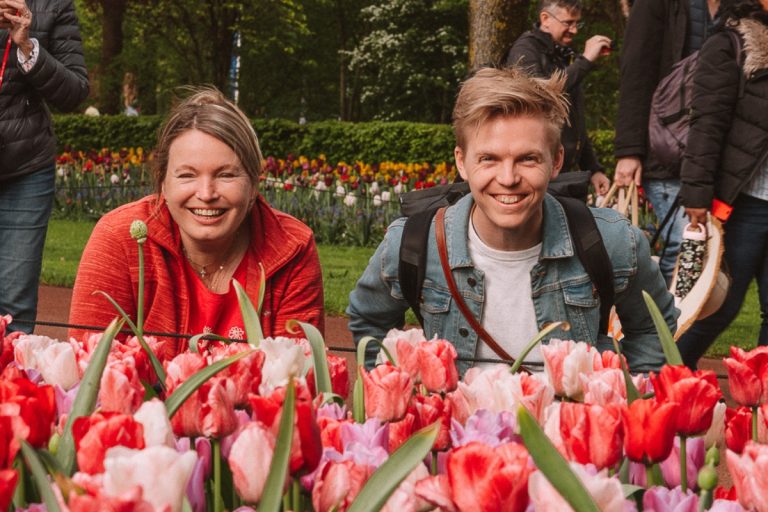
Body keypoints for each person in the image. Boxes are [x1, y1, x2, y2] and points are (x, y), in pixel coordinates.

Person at [347, 67, 676, 374]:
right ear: (462, 162)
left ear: (556, 160)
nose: (508, 178)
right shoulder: (414, 244)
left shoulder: (611, 242)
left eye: (528, 159)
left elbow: (653, 329)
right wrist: (397, 390)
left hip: (563, 433)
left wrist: (625, 398)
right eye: (488, 158)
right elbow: (367, 319)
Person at [69, 88, 324, 350]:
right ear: (163, 184)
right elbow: (91, 369)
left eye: (226, 175)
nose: (206, 194)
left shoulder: (291, 247)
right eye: (187, 175)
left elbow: (297, 378)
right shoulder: (120, 239)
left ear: (254, 185)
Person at [676, 0, 768, 368]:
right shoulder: (732, 43)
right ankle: (667, 380)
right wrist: (696, 192)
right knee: (716, 305)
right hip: (743, 203)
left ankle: (760, 403)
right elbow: (706, 125)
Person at [613, 0, 720, 284]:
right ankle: (663, 324)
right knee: (684, 245)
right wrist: (629, 151)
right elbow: (636, 71)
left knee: (698, 248)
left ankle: (667, 322)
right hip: (664, 152)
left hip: (708, 152)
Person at [0, 0, 89, 334]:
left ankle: (12, 386)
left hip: (26, 170)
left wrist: (27, 45)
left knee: (15, 306)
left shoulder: (53, 6)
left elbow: (74, 93)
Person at [506, 0, 612, 197]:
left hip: (563, 175)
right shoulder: (525, 49)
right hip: (541, 176)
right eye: (568, 23)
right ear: (545, 19)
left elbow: (574, 121)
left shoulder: (561, 55)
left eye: (577, 24)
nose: (574, 31)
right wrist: (585, 61)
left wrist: (594, 169)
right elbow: (540, 97)